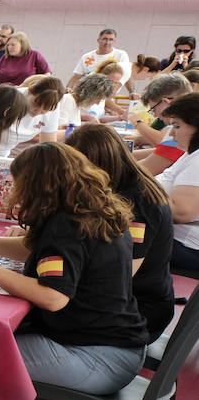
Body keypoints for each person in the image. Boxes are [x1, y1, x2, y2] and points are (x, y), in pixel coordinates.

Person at [0, 143, 148, 400]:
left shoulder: (65, 226)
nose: (15, 190)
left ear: (37, 185)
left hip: (98, 358)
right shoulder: (88, 212)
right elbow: (36, 248)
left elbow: (54, 297)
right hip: (118, 348)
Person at [66, 124, 174, 342]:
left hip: (136, 312)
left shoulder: (139, 203)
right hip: (124, 301)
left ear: (98, 166)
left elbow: (123, 272)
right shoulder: (120, 184)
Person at [156, 93, 199, 273]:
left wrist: (138, 194)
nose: (172, 133)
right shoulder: (191, 153)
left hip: (185, 246)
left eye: (177, 126)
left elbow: (181, 212)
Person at [0, 76, 65, 157]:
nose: (38, 111)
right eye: (36, 104)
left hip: (4, 156)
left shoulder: (54, 108)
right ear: (30, 90)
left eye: (46, 109)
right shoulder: (8, 97)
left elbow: (48, 145)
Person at [68, 28, 131, 94]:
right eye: (105, 39)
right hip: (87, 93)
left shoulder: (121, 55)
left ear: (114, 41)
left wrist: (131, 91)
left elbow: (128, 74)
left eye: (111, 39)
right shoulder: (86, 57)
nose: (107, 42)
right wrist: (69, 88)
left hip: (106, 95)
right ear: (98, 40)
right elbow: (76, 76)